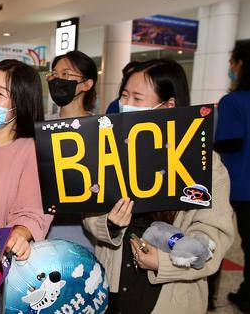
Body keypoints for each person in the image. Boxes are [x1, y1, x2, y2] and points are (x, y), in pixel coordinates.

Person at [83, 59, 235, 313]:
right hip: (111, 290)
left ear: (168, 105)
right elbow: (89, 213)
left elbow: (213, 237)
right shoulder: (108, 152)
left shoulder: (204, 161)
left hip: (170, 294)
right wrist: (109, 222)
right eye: (124, 95)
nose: (126, 104)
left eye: (137, 97)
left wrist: (163, 261)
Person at [0, 59, 52, 260]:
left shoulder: (32, 150)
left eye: (0, 94)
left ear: (21, 104)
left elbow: (32, 212)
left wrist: (19, 234)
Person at [45, 50, 98, 250]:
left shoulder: (101, 128)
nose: (58, 79)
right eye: (54, 74)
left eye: (66, 74)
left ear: (87, 84)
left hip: (84, 238)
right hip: (40, 237)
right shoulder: (38, 126)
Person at [215, 42, 250, 312]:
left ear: (241, 64)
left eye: (232, 61)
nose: (230, 67)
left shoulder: (234, 102)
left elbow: (229, 141)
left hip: (243, 186)